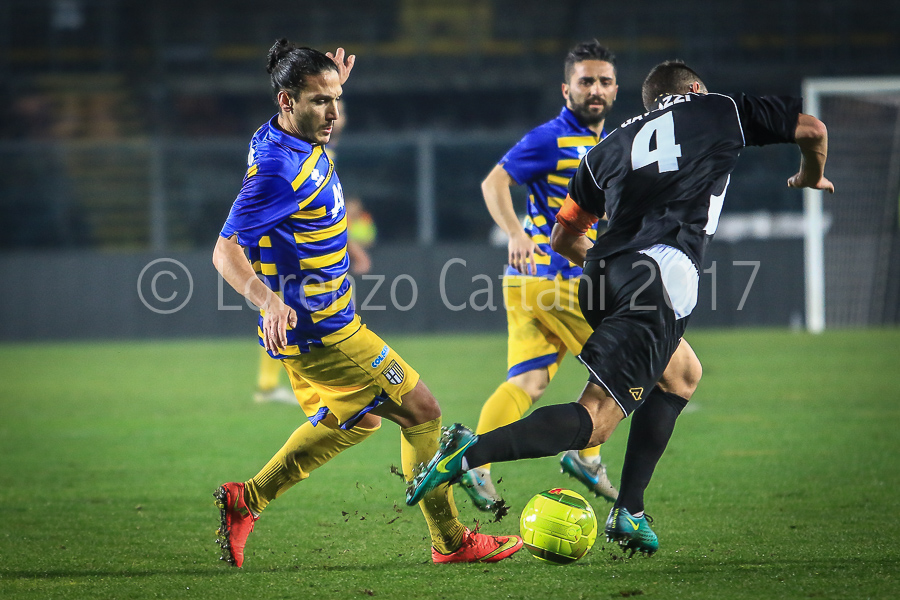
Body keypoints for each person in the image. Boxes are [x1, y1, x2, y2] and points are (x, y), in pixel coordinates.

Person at [407, 60, 833, 557]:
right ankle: (470, 451)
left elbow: (563, 236)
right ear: (695, 88)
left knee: (682, 374)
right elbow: (813, 129)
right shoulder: (719, 108)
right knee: (598, 418)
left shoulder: (605, 149)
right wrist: (811, 174)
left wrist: (618, 268)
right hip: (661, 277)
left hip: (601, 275)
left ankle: (629, 509)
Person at [212, 40, 522, 567]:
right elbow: (225, 250)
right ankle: (451, 542)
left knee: (359, 421)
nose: (333, 113)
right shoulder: (276, 170)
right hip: (323, 330)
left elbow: (304, 125)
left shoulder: (281, 134)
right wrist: (267, 301)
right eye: (320, 101)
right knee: (424, 411)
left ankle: (249, 499)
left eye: (336, 99)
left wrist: (325, 89)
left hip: (315, 328)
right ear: (287, 101)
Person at [461, 41, 702, 513]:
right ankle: (586, 456)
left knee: (528, 382)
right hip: (561, 279)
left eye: (604, 81)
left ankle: (476, 464)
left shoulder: (612, 141)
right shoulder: (550, 138)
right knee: (646, 368)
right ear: (566, 89)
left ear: (616, 89)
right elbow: (494, 182)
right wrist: (515, 233)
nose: (595, 89)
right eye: (586, 81)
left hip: (529, 283)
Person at [253, 102, 375, 404]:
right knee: (293, 312)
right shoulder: (310, 153)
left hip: (297, 249)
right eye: (327, 104)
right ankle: (311, 386)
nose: (336, 113)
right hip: (297, 252)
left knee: (285, 312)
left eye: (340, 107)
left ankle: (275, 384)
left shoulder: (322, 151)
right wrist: (354, 248)